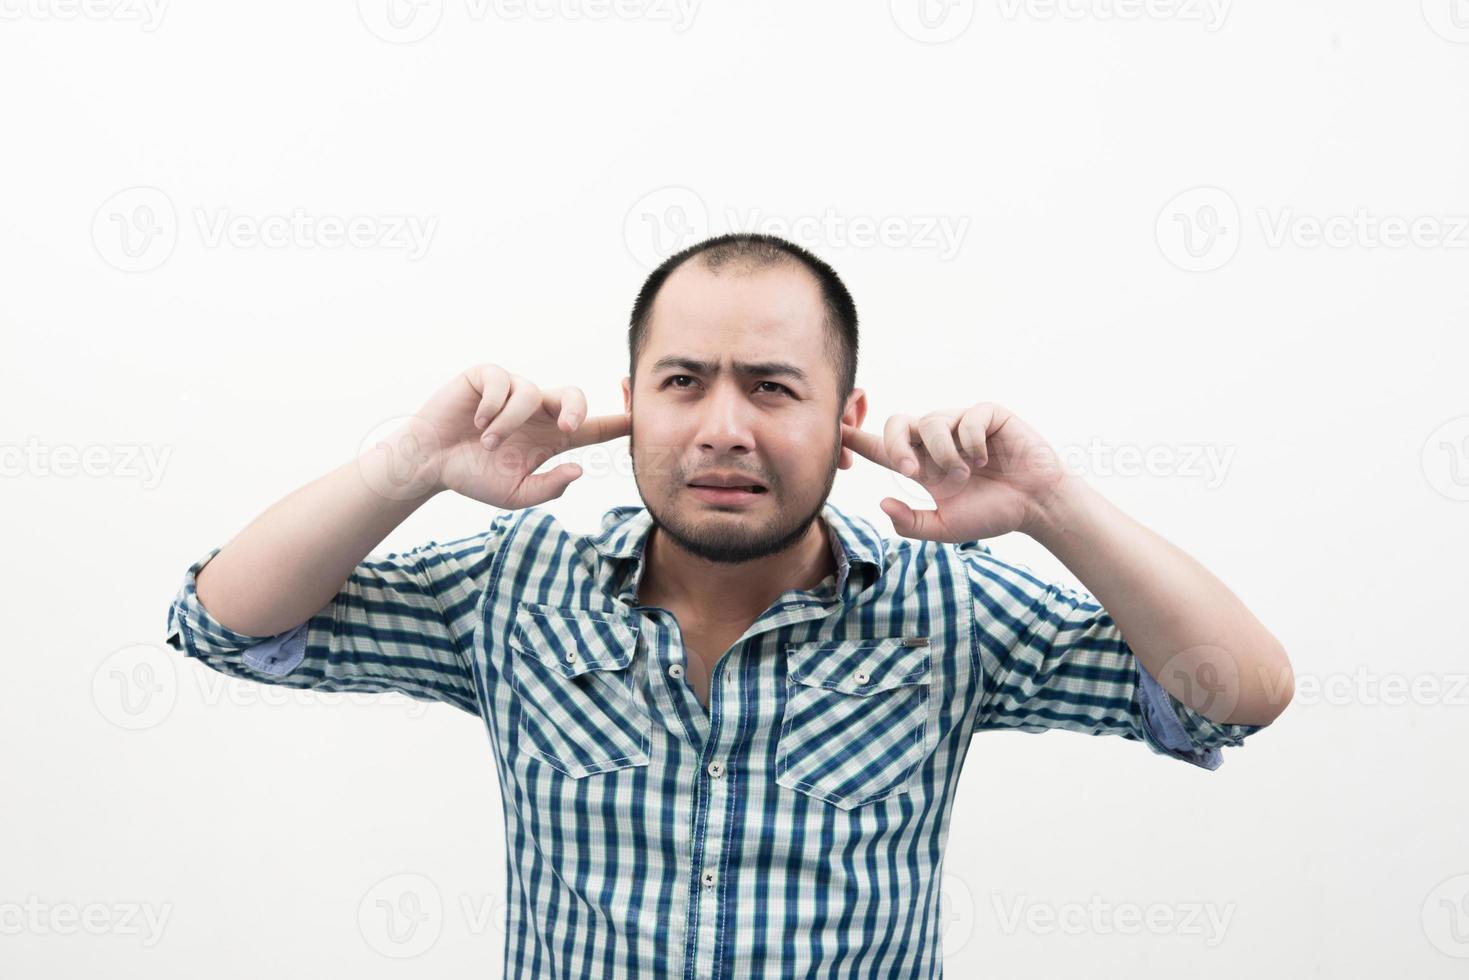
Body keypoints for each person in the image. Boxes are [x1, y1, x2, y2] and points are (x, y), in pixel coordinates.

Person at [164, 232, 1294, 978]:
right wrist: (407, 462)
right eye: (682, 380)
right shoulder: (515, 590)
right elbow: (229, 621)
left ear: (845, 419)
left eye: (770, 387)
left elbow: (1233, 695)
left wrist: (1048, 502)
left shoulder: (945, 608)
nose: (722, 427)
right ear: (631, 405)